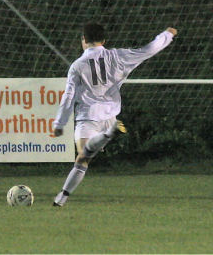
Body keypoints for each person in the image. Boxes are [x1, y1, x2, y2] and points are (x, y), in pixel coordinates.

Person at [51, 23, 177, 207]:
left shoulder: (77, 66)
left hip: (88, 116)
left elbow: (68, 97)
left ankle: (63, 196)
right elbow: (148, 50)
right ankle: (61, 198)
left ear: (83, 40)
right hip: (110, 115)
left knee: (83, 156)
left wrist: (59, 123)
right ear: (104, 40)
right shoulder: (118, 56)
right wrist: (167, 35)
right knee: (84, 156)